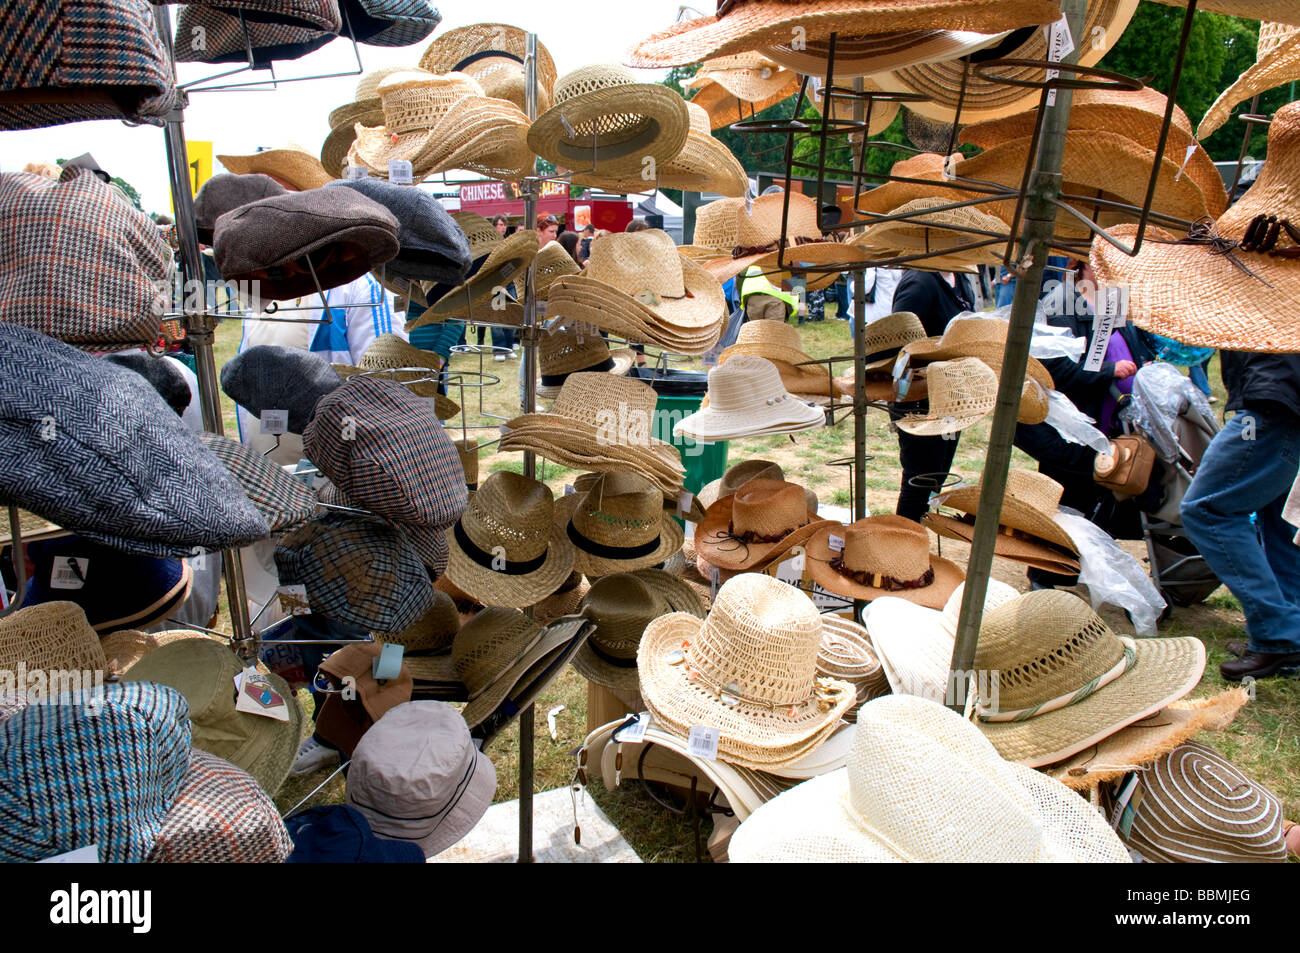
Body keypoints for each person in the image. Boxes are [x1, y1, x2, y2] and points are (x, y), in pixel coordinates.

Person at [1011, 259, 1139, 587]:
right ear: (1085, 264)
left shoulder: (1114, 300)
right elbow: (1056, 371)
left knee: (1090, 497)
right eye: (1106, 262)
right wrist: (1111, 372)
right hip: (1063, 425)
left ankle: (1067, 568)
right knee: (1062, 500)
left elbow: (1132, 348)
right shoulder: (1062, 301)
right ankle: (1042, 574)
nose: (1114, 269)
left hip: (1101, 423)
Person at [1181, 349, 1300, 681]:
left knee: (1207, 509)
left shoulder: (1259, 300)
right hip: (1283, 400)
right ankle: (1285, 638)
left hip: (1269, 402)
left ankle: (1280, 633)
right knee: (1279, 523)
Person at [890, 268, 976, 523]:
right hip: (917, 396)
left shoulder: (961, 277)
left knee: (935, 474)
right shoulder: (920, 281)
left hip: (950, 395)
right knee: (919, 477)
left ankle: (915, 539)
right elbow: (898, 342)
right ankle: (904, 543)